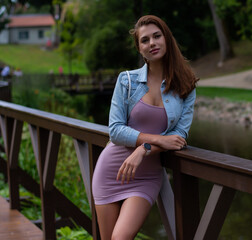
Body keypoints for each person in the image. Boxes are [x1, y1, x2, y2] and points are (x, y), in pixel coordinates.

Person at [91, 15, 198, 240]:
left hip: (146, 177)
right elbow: (116, 130)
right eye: (145, 40)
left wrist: (144, 149)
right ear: (140, 49)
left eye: (157, 36)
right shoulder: (126, 81)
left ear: (167, 39)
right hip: (111, 170)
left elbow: (179, 137)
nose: (152, 43)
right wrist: (157, 140)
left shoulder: (186, 85)